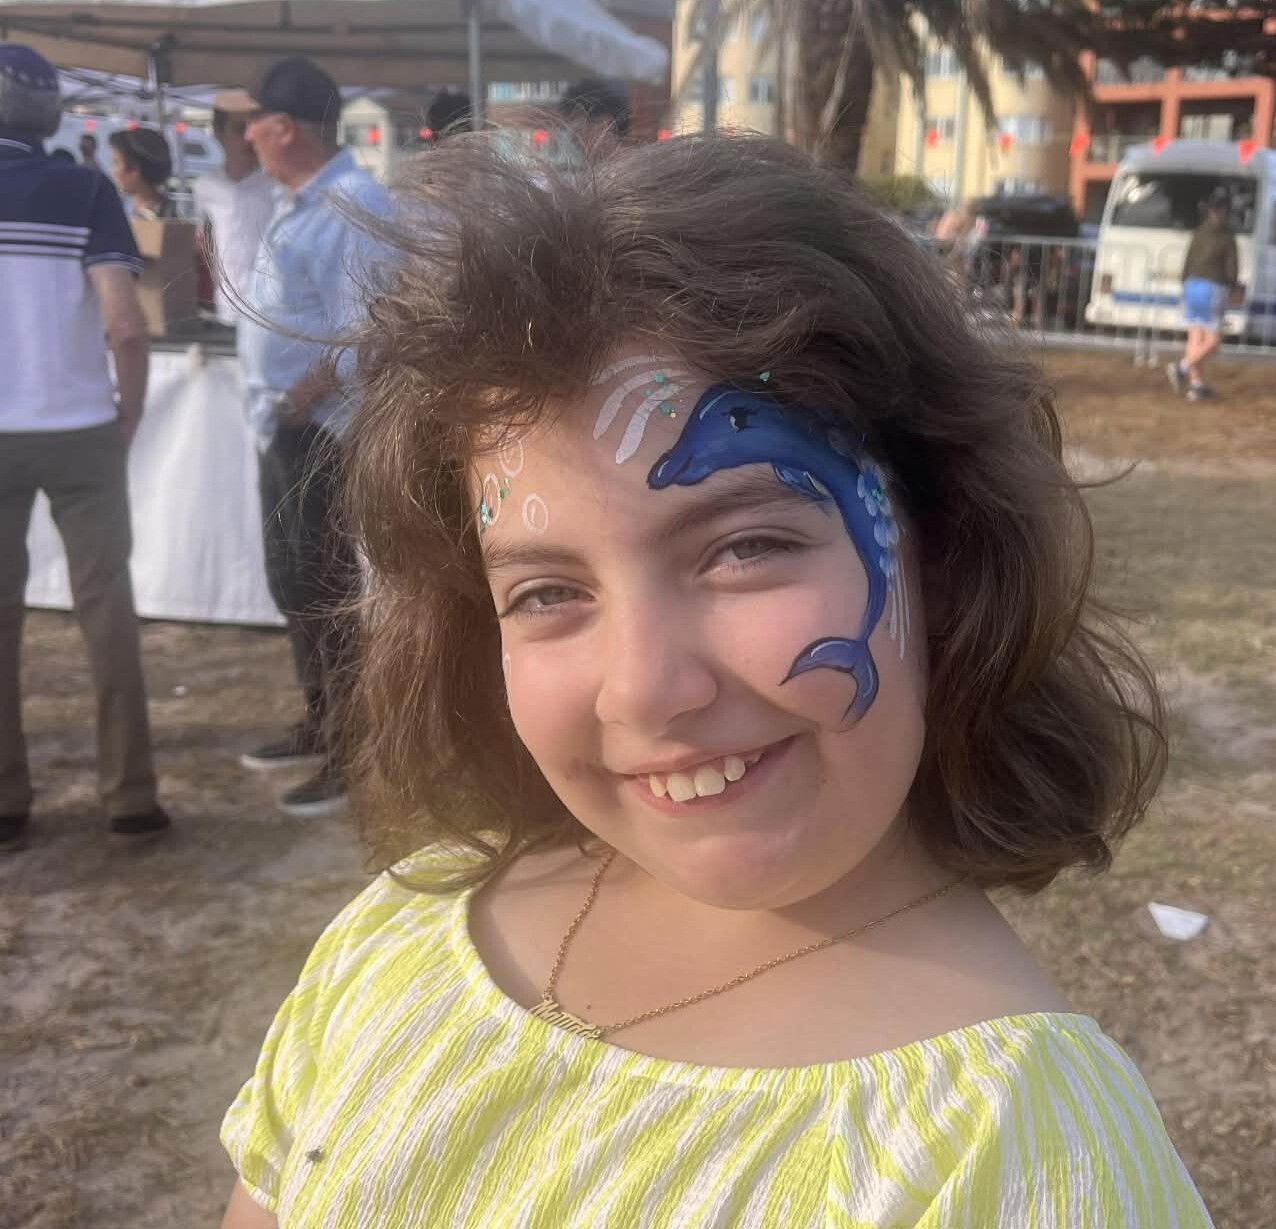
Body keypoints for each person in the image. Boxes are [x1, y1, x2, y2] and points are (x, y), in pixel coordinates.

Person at [217, 134, 1212, 1227]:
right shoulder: (404, 932)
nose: (646, 689)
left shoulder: (1014, 1152)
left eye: (744, 549)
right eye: (548, 592)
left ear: (942, 550)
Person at [0, 43, 168, 850]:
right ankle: (129, 795)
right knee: (107, 612)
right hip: (78, 428)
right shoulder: (86, 190)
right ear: (53, 117)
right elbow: (125, 324)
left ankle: (6, 798)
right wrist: (127, 415)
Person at [232, 56, 390, 819]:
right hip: (289, 429)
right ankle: (319, 719)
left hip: (325, 432)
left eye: (254, 121)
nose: (247, 134)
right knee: (292, 579)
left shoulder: (354, 205)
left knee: (326, 589)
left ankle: (350, 747)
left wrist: (303, 392)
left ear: (285, 128)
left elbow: (375, 326)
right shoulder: (303, 203)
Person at [193, 91, 277, 325]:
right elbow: (204, 242)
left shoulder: (277, 185)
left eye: (254, 127)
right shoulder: (206, 187)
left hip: (273, 311)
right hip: (227, 308)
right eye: (239, 129)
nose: (249, 138)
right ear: (218, 133)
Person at [1167, 189, 1240, 402]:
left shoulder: (1199, 232)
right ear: (1226, 211)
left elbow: (1187, 260)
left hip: (1191, 285)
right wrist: (1233, 286)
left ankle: (1197, 384)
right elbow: (1232, 267)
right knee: (1213, 340)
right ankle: (1182, 367)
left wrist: (1184, 284)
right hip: (1213, 287)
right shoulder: (1227, 236)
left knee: (1195, 335)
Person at [555, 77, 630, 164]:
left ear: (604, 125)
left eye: (577, 130)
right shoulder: (611, 169)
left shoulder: (632, 174)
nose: (573, 139)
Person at [108, 126, 175, 219]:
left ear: (134, 169)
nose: (113, 172)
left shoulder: (155, 221)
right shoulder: (140, 211)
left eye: (116, 163)